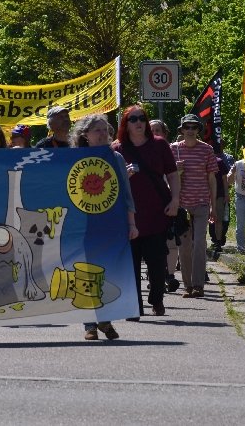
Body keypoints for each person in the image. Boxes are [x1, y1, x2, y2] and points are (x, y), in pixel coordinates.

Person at [71, 114, 138, 340]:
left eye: (104, 130)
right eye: (96, 130)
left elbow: (126, 193)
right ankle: (90, 324)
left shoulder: (116, 158)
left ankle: (105, 318)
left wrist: (132, 223)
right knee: (86, 271)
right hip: (82, 226)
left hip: (111, 223)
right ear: (85, 135)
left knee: (108, 270)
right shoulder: (72, 158)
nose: (102, 134)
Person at [111, 105, 179, 318]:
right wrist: (123, 176)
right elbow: (106, 182)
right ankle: (134, 306)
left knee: (157, 263)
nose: (139, 122)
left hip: (156, 213)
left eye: (142, 118)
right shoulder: (116, 149)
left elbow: (173, 174)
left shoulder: (159, 145)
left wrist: (175, 200)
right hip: (127, 216)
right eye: (133, 119)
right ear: (125, 124)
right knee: (130, 265)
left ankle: (157, 299)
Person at [170, 115, 219, 298]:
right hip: (182, 206)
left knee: (199, 244)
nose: (190, 130)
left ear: (198, 130)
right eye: (187, 127)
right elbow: (166, 177)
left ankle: (198, 285)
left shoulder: (207, 149)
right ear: (181, 130)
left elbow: (212, 179)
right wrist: (176, 170)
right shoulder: (174, 149)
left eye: (194, 127)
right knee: (184, 247)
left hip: (201, 203)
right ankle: (188, 286)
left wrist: (214, 206)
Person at [150, 119, 182, 294]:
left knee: (170, 241)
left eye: (158, 130)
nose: (155, 133)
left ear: (165, 133)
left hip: (169, 202)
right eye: (152, 130)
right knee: (153, 244)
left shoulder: (173, 150)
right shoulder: (141, 150)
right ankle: (155, 276)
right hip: (149, 204)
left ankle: (169, 275)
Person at [227, 147, 245, 254]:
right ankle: (241, 248)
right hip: (241, 197)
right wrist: (232, 172)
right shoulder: (238, 164)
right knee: (241, 225)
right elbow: (229, 181)